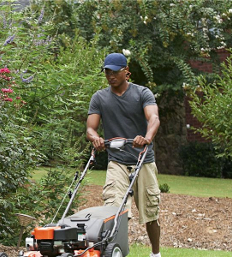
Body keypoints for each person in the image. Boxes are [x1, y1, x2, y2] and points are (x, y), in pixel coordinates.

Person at [86, 53, 162, 257]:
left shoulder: (142, 93)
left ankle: (155, 253)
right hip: (117, 161)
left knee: (150, 213)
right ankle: (114, 252)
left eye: (115, 71)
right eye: (107, 72)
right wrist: (96, 138)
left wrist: (146, 137)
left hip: (143, 160)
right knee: (114, 210)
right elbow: (90, 128)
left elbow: (153, 117)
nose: (111, 75)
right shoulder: (100, 98)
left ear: (126, 72)